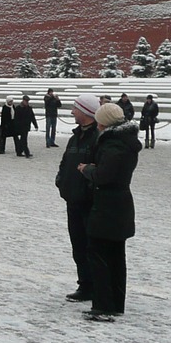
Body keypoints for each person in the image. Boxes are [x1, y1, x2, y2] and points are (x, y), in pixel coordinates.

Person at [77, 103, 141, 322]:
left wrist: (87, 169)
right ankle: (114, 303)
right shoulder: (124, 142)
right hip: (118, 205)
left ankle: (104, 305)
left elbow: (105, 175)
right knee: (115, 256)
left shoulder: (114, 145)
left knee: (99, 254)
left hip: (108, 206)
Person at [56, 94, 100, 303]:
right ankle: (84, 284)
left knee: (91, 246)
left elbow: (102, 169)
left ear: (85, 112)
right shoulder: (75, 137)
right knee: (78, 246)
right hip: (72, 199)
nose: (72, 112)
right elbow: (65, 161)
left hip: (89, 202)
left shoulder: (98, 138)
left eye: (75, 108)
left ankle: (94, 286)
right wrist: (61, 181)